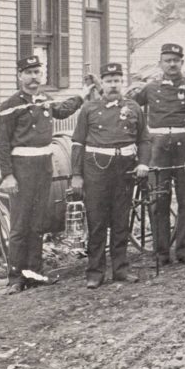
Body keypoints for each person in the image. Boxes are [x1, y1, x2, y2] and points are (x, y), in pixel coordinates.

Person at [0, 55, 89, 291]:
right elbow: (3, 143)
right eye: (28, 73)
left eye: (37, 72)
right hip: (22, 168)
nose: (33, 77)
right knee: (20, 224)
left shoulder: (45, 100)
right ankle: (16, 278)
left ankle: (35, 273)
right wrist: (8, 175)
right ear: (19, 76)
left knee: (38, 223)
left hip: (43, 166)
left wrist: (81, 97)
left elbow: (62, 110)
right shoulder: (10, 105)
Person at [70, 62, 151, 289]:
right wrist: (76, 175)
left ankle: (121, 270)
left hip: (124, 171)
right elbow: (78, 143)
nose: (113, 85)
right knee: (96, 222)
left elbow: (144, 139)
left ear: (121, 82)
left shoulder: (134, 108)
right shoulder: (89, 109)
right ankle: (95, 273)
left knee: (120, 221)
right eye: (108, 81)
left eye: (117, 80)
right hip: (96, 171)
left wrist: (143, 163)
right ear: (101, 84)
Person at [129, 43, 185, 266]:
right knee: (158, 200)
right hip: (158, 150)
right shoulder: (150, 89)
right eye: (168, 60)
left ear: (182, 63)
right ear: (160, 63)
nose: (172, 64)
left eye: (176, 60)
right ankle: (161, 252)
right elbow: (129, 108)